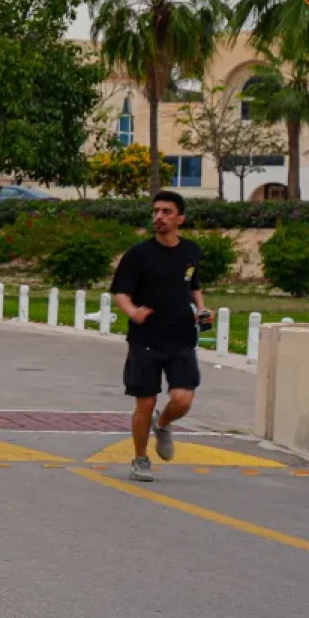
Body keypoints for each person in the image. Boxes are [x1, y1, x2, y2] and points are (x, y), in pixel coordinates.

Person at [111, 189, 211, 483]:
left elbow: (193, 284)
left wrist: (202, 308)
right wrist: (133, 312)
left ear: (180, 218)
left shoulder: (190, 251)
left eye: (166, 212)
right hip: (146, 339)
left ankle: (163, 423)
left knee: (183, 399)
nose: (159, 217)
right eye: (156, 211)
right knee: (145, 403)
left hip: (181, 337)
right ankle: (140, 459)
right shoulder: (138, 254)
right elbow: (121, 292)